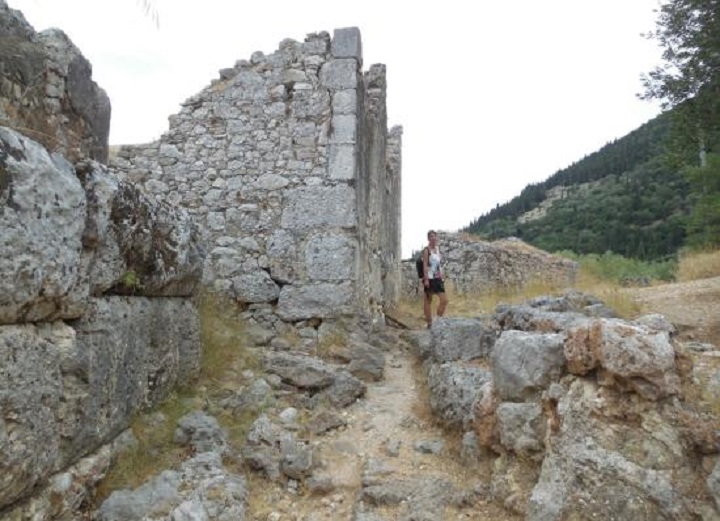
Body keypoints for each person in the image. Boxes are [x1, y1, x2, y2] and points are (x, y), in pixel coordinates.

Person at [422, 230, 448, 328]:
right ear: (428, 238)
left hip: (438, 278)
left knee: (444, 300)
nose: (434, 238)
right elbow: (425, 265)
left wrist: (442, 275)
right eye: (431, 236)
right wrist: (426, 279)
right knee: (428, 301)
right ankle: (429, 323)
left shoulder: (437, 250)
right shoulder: (426, 250)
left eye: (435, 236)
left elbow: (438, 265)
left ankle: (438, 320)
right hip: (429, 278)